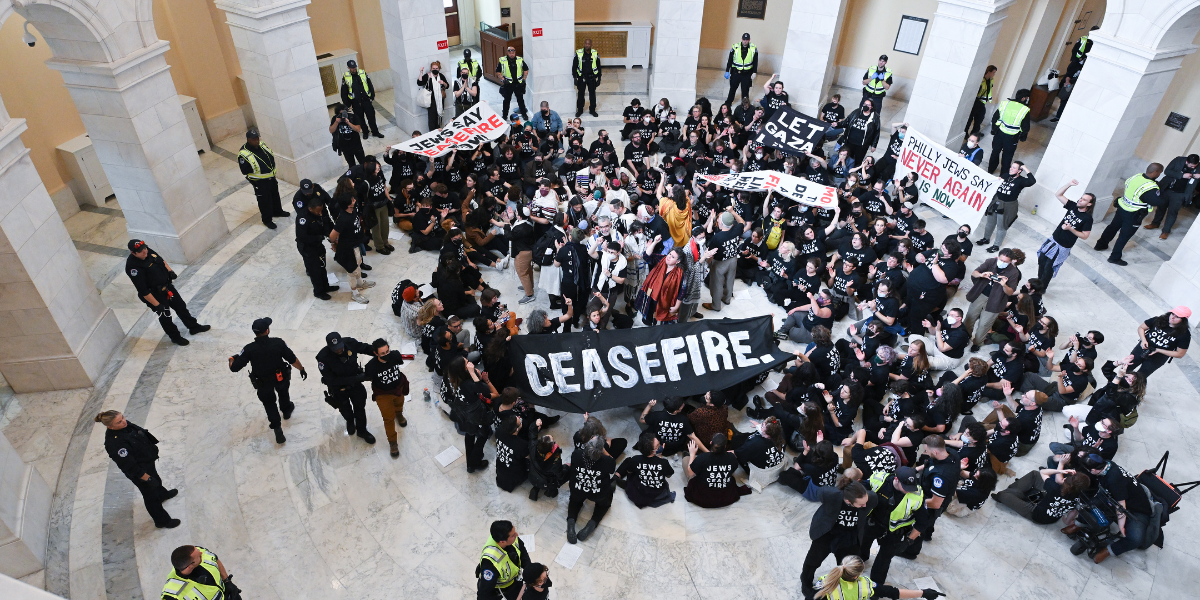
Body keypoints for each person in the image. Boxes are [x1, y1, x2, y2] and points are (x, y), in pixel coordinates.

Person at [96, 410, 179, 528]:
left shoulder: (125, 425)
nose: (124, 422)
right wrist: (146, 478)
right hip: (140, 471)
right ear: (110, 426)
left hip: (147, 462)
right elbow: (128, 465)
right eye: (119, 422)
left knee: (157, 481)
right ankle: (162, 521)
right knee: (150, 496)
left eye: (123, 418)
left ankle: (162, 494)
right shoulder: (114, 443)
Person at [228, 317, 306, 444]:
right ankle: (286, 411)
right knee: (283, 392)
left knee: (269, 404)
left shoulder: (249, 349)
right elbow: (292, 359)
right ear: (267, 330)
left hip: (263, 382)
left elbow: (234, 368)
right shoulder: (278, 343)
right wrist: (301, 369)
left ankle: (277, 429)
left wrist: (231, 359)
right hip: (280, 377)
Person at [799, 478, 878, 599]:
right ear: (848, 501)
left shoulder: (871, 498)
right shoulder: (829, 494)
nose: (865, 505)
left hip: (849, 536)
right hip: (827, 533)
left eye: (866, 502)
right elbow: (819, 492)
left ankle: (842, 588)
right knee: (813, 561)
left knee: (848, 568)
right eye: (861, 504)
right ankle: (805, 582)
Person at [125, 240, 210, 346]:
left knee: (181, 306)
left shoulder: (147, 251)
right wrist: (157, 305)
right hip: (154, 294)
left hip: (167, 287)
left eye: (145, 249)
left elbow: (160, 260)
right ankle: (175, 337)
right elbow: (143, 291)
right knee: (166, 317)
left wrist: (170, 271)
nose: (144, 252)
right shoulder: (132, 267)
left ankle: (194, 327)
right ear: (133, 253)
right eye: (141, 251)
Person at [1079, 455, 1156, 563]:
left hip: (1136, 510)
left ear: (1094, 470)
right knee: (1089, 505)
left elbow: (1121, 507)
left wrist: (1121, 525)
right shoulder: (1107, 463)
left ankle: (1109, 550)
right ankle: (1079, 524)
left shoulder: (1114, 479)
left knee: (1135, 539)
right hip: (1111, 497)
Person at [1094, 163, 1165, 265]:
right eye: (1160, 172)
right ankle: (1114, 257)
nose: (1159, 174)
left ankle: (1100, 245)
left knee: (1112, 227)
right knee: (1124, 236)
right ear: (1155, 172)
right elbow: (1156, 202)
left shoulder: (1137, 176)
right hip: (1134, 214)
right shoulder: (1150, 187)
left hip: (1122, 207)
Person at [862, 466, 923, 585]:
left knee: (884, 558)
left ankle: (876, 587)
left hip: (895, 531)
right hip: (872, 522)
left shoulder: (917, 495)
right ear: (896, 479)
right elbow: (859, 492)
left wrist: (908, 541)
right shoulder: (878, 480)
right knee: (862, 545)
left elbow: (922, 523)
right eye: (905, 487)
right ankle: (861, 560)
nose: (908, 490)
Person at [315, 332, 377, 444]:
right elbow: (332, 380)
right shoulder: (323, 358)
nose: (339, 350)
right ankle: (349, 421)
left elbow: (365, 348)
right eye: (335, 349)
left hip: (356, 386)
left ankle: (362, 431)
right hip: (339, 389)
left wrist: (379, 352)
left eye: (340, 347)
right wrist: (359, 378)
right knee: (345, 410)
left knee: (360, 409)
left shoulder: (350, 343)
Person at [1036, 180, 1093, 289]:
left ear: (1089, 204)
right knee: (1042, 260)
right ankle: (1038, 282)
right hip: (1053, 239)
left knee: (1049, 268)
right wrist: (1069, 184)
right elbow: (1058, 194)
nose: (1080, 200)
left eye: (1084, 200)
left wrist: (1070, 228)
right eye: (1081, 198)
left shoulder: (1087, 218)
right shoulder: (1073, 206)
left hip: (1063, 246)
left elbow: (1085, 236)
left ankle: (1041, 288)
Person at [963, 248, 1023, 351]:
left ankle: (977, 343)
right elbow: (974, 273)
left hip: (997, 300)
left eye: (1005, 261)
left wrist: (1004, 285)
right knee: (970, 317)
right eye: (1001, 260)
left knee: (984, 324)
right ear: (998, 257)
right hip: (981, 294)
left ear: (1011, 261)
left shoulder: (1014, 273)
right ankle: (964, 337)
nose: (1002, 262)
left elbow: (1010, 292)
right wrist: (982, 274)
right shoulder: (990, 261)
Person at [814, 556, 944, 600]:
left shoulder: (825, 580)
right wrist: (923, 593)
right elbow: (893, 592)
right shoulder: (864, 586)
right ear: (855, 576)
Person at [993, 467, 1089, 524]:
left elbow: (1043, 472)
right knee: (1034, 475)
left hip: (1035, 514)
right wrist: (1067, 521)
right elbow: (1074, 511)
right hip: (1052, 517)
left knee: (1003, 495)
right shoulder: (1080, 497)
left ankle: (1016, 493)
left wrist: (1060, 471)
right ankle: (1018, 493)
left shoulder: (1055, 488)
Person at [364, 338, 409, 457]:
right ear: (376, 353)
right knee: (388, 419)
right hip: (383, 394)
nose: (386, 355)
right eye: (383, 353)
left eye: (387, 351)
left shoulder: (395, 356)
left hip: (397, 388)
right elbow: (370, 379)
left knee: (400, 404)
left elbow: (399, 365)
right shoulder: (371, 366)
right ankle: (393, 442)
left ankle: (399, 415)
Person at [976, 161, 1035, 253]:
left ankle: (996, 245)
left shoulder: (1021, 181)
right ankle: (986, 238)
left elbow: (1032, 181)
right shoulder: (1005, 175)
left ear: (1019, 170)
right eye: (1011, 167)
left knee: (1001, 226)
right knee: (990, 223)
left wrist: (1025, 168)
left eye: (1014, 168)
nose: (1011, 169)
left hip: (1007, 206)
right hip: (996, 202)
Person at [567, 435, 616, 543]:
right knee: (604, 504)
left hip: (578, 488)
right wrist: (604, 451)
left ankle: (571, 523)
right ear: (601, 449)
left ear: (587, 446)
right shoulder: (607, 460)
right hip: (597, 492)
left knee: (574, 501)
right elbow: (613, 467)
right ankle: (592, 523)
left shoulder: (576, 454)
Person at [329, 188, 375, 304]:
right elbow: (332, 236)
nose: (355, 200)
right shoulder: (343, 219)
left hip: (356, 244)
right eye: (353, 199)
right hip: (348, 249)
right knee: (352, 270)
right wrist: (334, 243)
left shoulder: (352, 210)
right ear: (348, 204)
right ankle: (355, 293)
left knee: (358, 264)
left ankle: (360, 283)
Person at [237, 128, 288, 228]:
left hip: (271, 178)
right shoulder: (243, 154)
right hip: (260, 182)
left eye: (257, 138)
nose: (256, 141)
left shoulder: (262, 145)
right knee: (264, 201)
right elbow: (244, 171)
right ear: (248, 140)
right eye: (253, 139)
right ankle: (267, 220)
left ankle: (277, 211)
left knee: (275, 196)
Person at [294, 184, 338, 300]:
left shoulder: (319, 213)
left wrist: (331, 237)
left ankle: (326, 286)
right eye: (317, 212)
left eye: (321, 211)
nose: (320, 213)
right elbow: (302, 236)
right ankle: (319, 291)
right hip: (307, 247)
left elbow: (325, 225)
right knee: (315, 270)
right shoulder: (302, 218)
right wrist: (318, 238)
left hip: (318, 245)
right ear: (310, 209)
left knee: (322, 266)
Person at [684, 434, 751, 508]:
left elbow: (690, 473)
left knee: (685, 460)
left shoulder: (702, 457)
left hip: (703, 498)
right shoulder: (732, 458)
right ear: (725, 446)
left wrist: (692, 454)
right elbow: (732, 471)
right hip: (725, 497)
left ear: (710, 443)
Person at [616, 429, 677, 508]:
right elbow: (669, 475)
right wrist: (659, 457)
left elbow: (629, 472)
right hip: (657, 491)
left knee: (630, 465)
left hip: (641, 488)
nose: (660, 446)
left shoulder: (636, 459)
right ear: (653, 451)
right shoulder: (663, 462)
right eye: (658, 446)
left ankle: (618, 479)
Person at [1145, 153, 1199, 238]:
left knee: (1172, 212)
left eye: (1195, 166)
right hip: (1167, 189)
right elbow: (1167, 171)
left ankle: (1166, 231)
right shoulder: (1178, 160)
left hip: (1180, 194)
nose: (1193, 168)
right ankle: (1155, 223)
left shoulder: (1199, 167)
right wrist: (1182, 175)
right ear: (1187, 161)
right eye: (1191, 166)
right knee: (1161, 208)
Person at [1128, 306, 1191, 377]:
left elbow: (1180, 354)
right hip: (1142, 348)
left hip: (1158, 357)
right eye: (1172, 314)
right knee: (1127, 367)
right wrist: (1143, 340)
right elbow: (1141, 328)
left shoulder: (1184, 334)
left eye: (1177, 317)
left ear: (1183, 320)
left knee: (1141, 376)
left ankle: (1131, 387)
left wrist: (1158, 350)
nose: (1172, 317)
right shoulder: (1158, 320)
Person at [477, 520, 531, 600]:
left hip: (515, 581)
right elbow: (484, 593)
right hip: (502, 590)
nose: (516, 535)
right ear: (502, 541)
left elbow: (521, 550)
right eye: (513, 535)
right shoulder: (490, 564)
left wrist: (529, 569)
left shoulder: (506, 536)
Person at [162, 545, 241, 600]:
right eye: (199, 556)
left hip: (230, 595)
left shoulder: (197, 551)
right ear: (190, 566)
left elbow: (215, 559)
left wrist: (227, 581)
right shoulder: (173, 595)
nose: (201, 553)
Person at [987, 89, 1031, 175]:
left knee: (995, 152)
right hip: (1012, 137)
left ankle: (990, 170)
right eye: (1027, 98)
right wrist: (1023, 136)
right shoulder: (1024, 110)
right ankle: (1003, 175)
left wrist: (994, 129)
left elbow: (995, 117)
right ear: (1023, 98)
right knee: (1007, 156)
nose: (1028, 99)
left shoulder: (1005, 104)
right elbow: (1025, 127)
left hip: (999, 133)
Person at [340, 59, 382, 138]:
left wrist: (372, 96)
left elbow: (370, 84)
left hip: (366, 100)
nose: (354, 69)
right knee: (360, 119)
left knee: (371, 117)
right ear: (348, 68)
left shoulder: (362, 73)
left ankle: (375, 132)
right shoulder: (346, 77)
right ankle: (365, 132)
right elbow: (344, 92)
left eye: (355, 67)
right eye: (352, 68)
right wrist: (348, 104)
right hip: (355, 102)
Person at [840, 99, 881, 165]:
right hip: (850, 141)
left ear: (871, 107)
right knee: (848, 158)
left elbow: (877, 132)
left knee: (858, 160)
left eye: (868, 105)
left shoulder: (875, 117)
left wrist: (874, 145)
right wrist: (837, 124)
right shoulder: (856, 112)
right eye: (864, 104)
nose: (865, 106)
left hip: (862, 144)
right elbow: (847, 122)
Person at [497, 47, 530, 120]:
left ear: (515, 52)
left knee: (520, 100)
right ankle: (505, 116)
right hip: (508, 84)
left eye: (513, 53)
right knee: (506, 101)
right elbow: (498, 71)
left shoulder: (519, 60)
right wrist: (503, 80)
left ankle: (524, 114)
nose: (511, 55)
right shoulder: (503, 61)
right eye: (510, 53)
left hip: (518, 84)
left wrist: (524, 79)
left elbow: (526, 69)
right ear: (507, 53)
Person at [725, 33, 758, 105]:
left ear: (749, 40)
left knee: (745, 90)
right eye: (744, 39)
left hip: (747, 73)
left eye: (746, 40)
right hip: (736, 72)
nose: (745, 41)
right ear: (741, 39)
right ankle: (728, 103)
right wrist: (727, 70)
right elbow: (730, 60)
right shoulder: (735, 47)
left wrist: (754, 72)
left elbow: (755, 61)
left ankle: (745, 105)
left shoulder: (753, 48)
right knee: (732, 89)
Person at [965, 65, 997, 137]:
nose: (994, 74)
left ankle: (975, 133)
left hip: (982, 102)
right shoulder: (980, 80)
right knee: (970, 118)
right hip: (975, 101)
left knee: (979, 118)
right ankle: (965, 133)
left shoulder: (991, 80)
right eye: (993, 72)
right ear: (989, 72)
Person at [329, 103, 365, 168]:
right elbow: (331, 130)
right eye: (340, 114)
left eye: (344, 113)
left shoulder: (353, 117)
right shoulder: (335, 119)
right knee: (351, 165)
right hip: (345, 147)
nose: (343, 116)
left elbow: (358, 129)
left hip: (356, 145)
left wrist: (348, 122)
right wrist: (336, 122)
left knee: (363, 162)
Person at [573, 38, 602, 117]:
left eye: (588, 44)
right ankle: (580, 110)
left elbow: (599, 67)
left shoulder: (595, 53)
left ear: (591, 45)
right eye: (586, 43)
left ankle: (592, 110)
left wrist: (599, 78)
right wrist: (575, 78)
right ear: (584, 44)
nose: (587, 45)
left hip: (592, 78)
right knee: (580, 94)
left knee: (592, 94)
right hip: (581, 77)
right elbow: (574, 66)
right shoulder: (578, 53)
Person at [417, 62, 450, 131]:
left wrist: (443, 83)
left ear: (439, 69)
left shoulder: (441, 76)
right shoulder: (428, 76)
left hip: (440, 100)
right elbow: (419, 82)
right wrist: (421, 73)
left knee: (439, 117)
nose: (435, 69)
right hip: (431, 101)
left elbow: (447, 86)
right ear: (431, 69)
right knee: (432, 118)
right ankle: (432, 132)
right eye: (433, 68)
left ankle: (439, 130)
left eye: (436, 68)